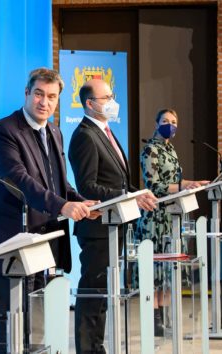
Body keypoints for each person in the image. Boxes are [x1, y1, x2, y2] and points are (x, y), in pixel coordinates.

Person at [0, 67, 100, 344]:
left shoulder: (55, 132)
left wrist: (80, 202)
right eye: (38, 94)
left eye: (51, 96)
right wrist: (63, 207)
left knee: (38, 333)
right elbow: (19, 181)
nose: (44, 102)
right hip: (14, 244)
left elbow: (58, 184)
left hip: (46, 245)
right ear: (26, 93)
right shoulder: (3, 131)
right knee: (11, 333)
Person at [68, 79, 157, 353]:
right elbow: (88, 187)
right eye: (107, 97)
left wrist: (136, 193)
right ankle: (88, 348)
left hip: (113, 226)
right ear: (90, 104)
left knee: (104, 293)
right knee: (93, 292)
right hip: (97, 229)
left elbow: (116, 181)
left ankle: (97, 346)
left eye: (112, 95)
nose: (112, 101)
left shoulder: (104, 131)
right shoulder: (84, 135)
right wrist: (127, 196)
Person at [135, 108, 208, 335]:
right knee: (155, 270)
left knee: (168, 271)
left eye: (174, 121)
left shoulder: (170, 149)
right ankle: (154, 319)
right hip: (154, 217)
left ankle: (165, 319)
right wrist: (182, 187)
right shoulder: (151, 150)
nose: (170, 125)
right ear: (156, 124)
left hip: (171, 217)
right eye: (165, 121)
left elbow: (175, 181)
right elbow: (155, 186)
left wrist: (191, 183)